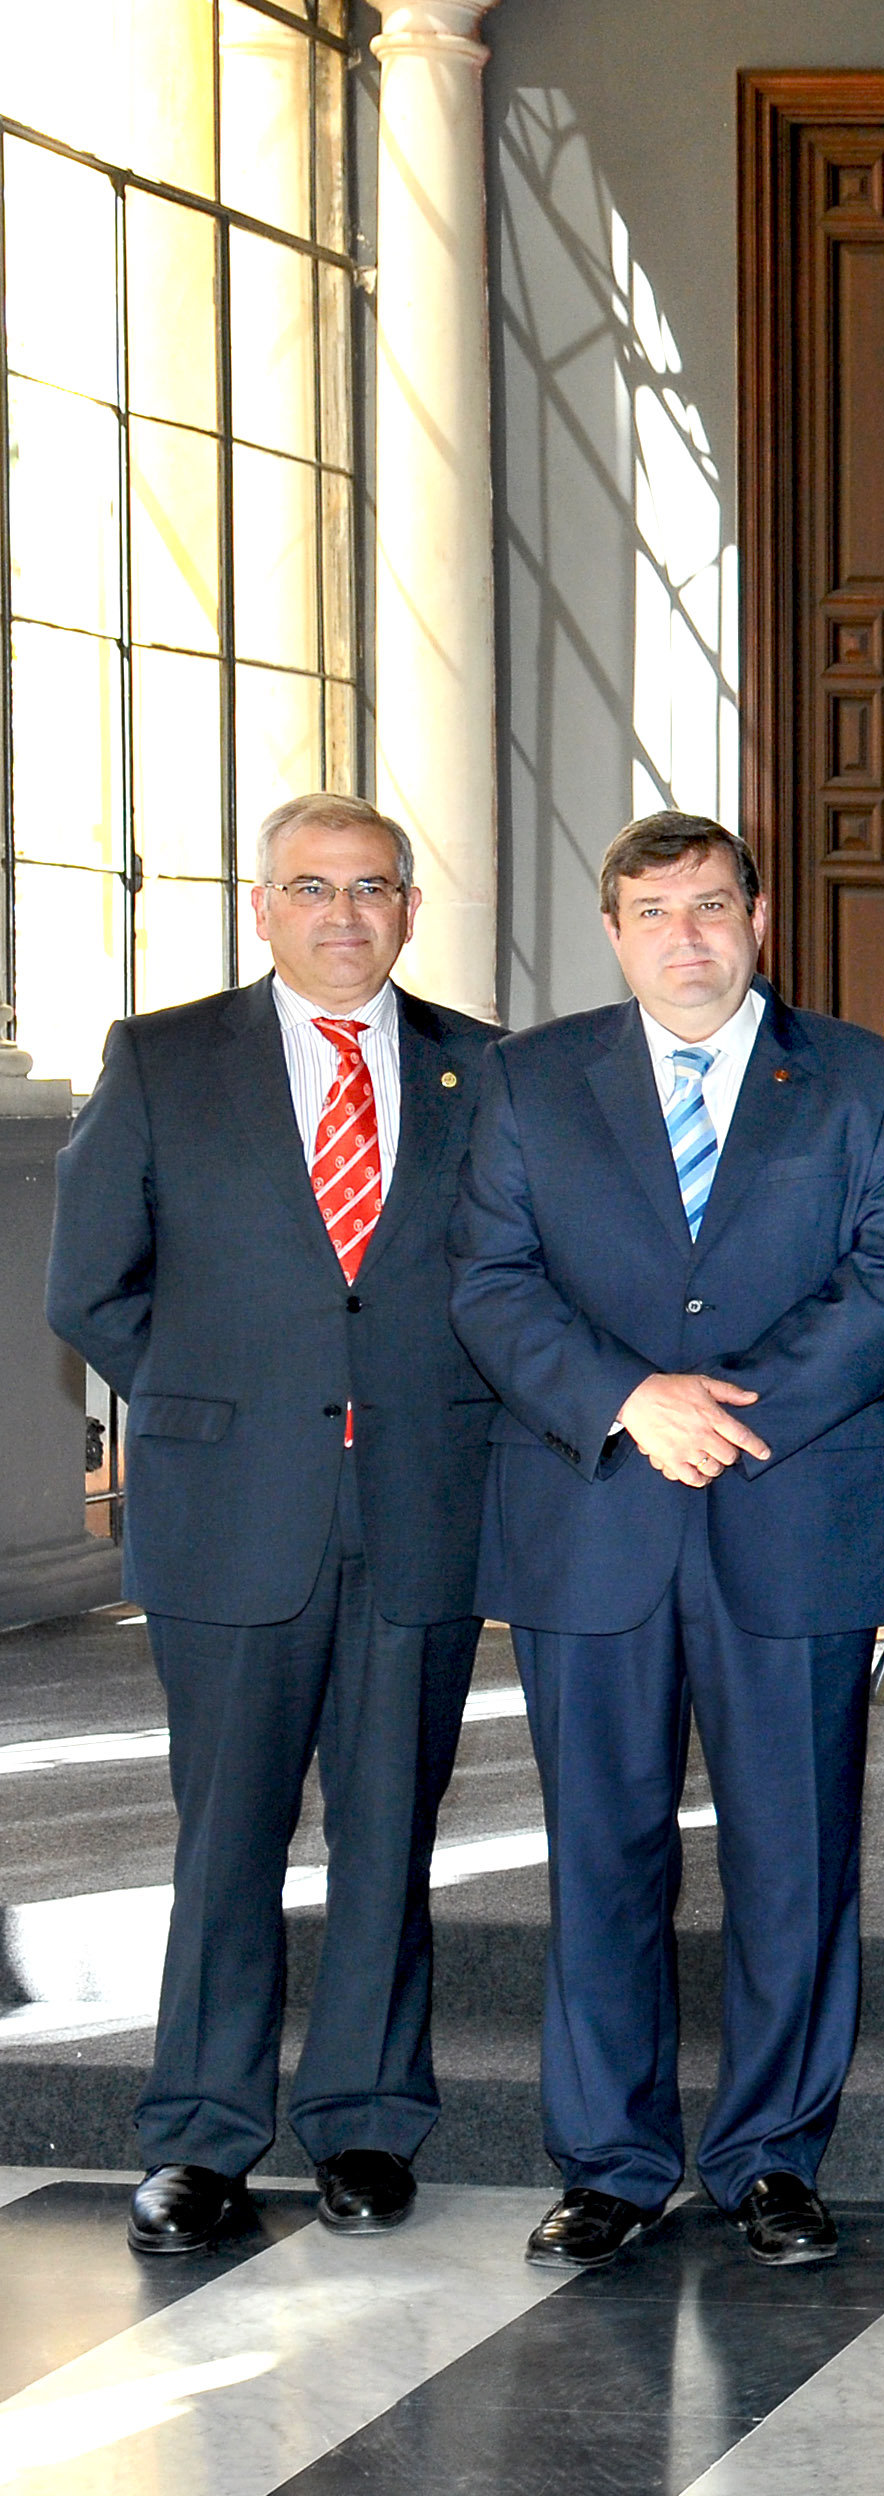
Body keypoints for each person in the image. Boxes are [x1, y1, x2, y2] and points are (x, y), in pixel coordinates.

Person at [450, 813, 884, 2269]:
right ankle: (609, 2160)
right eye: (653, 911)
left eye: (713, 905)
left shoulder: (863, 1077)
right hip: (595, 1515)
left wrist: (727, 1413)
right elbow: (491, 1282)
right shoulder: (530, 1079)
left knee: (796, 1859)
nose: (687, 936)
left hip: (790, 1513)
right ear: (613, 932)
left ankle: (772, 2155)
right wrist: (629, 1400)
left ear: (758, 919)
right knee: (602, 1855)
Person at [48, 795, 499, 2256]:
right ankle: (200, 2135)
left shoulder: (486, 1070)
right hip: (231, 1510)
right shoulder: (163, 1059)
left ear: (409, 909)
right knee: (227, 1832)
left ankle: (366, 2120)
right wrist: (213, 1404)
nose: (343, 914)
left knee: (390, 1832)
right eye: (312, 887)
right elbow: (90, 1286)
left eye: (371, 888)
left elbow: (512, 1284)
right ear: (262, 908)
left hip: (421, 1508)